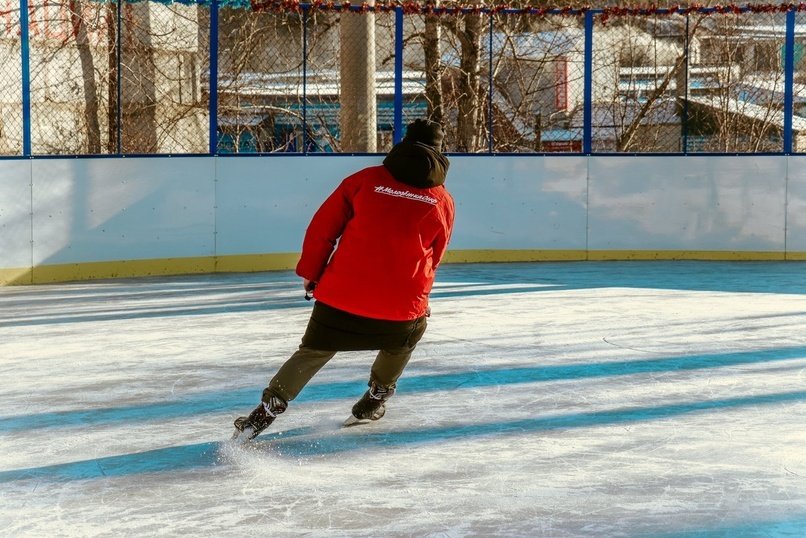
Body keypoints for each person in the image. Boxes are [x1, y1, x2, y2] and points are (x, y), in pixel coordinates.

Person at [233, 119, 455, 440]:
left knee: (313, 350)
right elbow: (434, 255)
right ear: (439, 152)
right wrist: (422, 299)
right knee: (405, 338)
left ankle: (268, 409)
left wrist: (312, 273)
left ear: (404, 143)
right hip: (401, 304)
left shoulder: (364, 180)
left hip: (342, 295)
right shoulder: (442, 200)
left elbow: (323, 229)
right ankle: (376, 398)